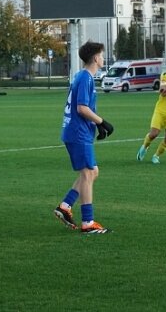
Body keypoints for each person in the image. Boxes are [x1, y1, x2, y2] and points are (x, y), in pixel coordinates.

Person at [54, 41, 114, 234]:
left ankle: (65, 206)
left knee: (92, 171)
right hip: (77, 133)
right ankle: (88, 223)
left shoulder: (82, 76)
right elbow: (82, 108)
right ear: (96, 58)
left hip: (78, 132)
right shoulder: (86, 78)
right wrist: (101, 121)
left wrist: (97, 124)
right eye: (102, 55)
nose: (103, 58)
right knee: (88, 173)